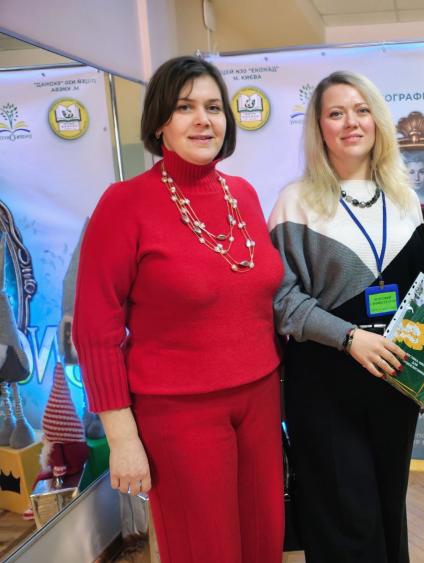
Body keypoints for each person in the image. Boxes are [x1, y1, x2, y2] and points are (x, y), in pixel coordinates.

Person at [73, 56, 284, 563]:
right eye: (185, 107)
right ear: (159, 123)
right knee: (204, 549)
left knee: (264, 542)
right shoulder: (124, 203)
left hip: (259, 398)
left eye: (214, 107)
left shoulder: (243, 195)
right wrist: (122, 437)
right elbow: (96, 328)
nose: (203, 120)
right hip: (179, 412)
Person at [269, 70, 424, 563]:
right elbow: (282, 300)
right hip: (325, 384)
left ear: (377, 120)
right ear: (319, 127)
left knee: (388, 508)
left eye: (361, 110)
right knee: (343, 519)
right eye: (336, 113)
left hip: (395, 382)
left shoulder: (407, 201)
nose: (351, 122)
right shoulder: (295, 203)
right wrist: (350, 338)